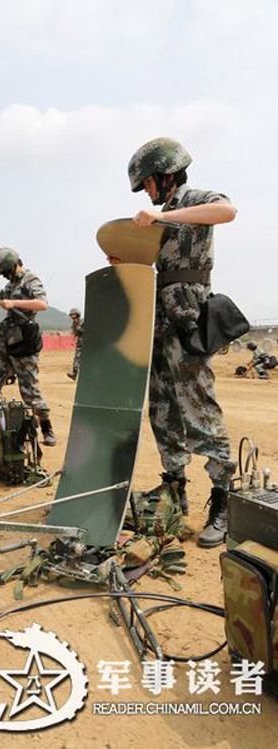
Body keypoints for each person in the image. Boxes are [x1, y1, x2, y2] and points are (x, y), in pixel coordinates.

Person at [128, 137, 237, 547]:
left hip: (188, 318)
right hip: (159, 323)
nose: (148, 194)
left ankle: (224, 500)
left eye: (148, 185)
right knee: (162, 409)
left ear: (164, 175)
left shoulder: (195, 200)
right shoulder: (162, 216)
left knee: (199, 409)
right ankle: (175, 489)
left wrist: (163, 220)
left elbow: (228, 210)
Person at [0, 247, 56, 446]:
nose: (6, 277)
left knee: (30, 392)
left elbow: (43, 304)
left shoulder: (30, 279)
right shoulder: (11, 285)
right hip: (5, 342)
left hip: (23, 343)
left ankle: (46, 427)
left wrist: (13, 303)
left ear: (14, 265)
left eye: (6, 272)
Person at [67, 308, 84, 381]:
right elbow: (75, 334)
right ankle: (74, 374)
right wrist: (73, 341)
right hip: (80, 343)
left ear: (77, 314)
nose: (72, 316)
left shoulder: (83, 322)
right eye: (71, 314)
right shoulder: (74, 323)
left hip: (86, 342)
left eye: (73, 314)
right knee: (76, 358)